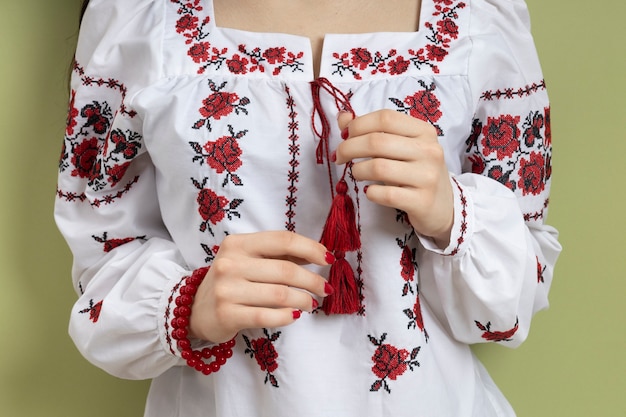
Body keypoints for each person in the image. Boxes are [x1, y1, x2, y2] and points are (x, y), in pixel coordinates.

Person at [56, 0, 561, 415]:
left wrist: (453, 213)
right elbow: (101, 257)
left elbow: (515, 299)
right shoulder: (137, 19)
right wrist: (189, 307)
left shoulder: (481, 20)